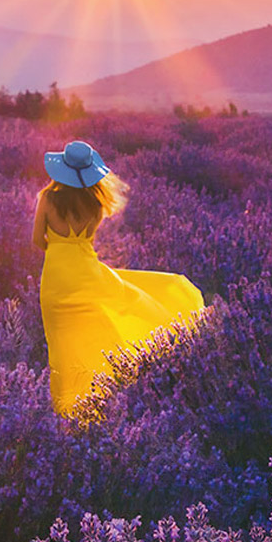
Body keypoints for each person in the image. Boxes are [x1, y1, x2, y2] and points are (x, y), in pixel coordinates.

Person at [33, 139, 205, 415]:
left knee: (61, 342)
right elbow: (86, 241)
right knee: (98, 327)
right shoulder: (95, 204)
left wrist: (57, 250)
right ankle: (98, 400)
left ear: (62, 169)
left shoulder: (47, 198)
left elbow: (37, 241)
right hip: (87, 273)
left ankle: (65, 410)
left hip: (56, 278)